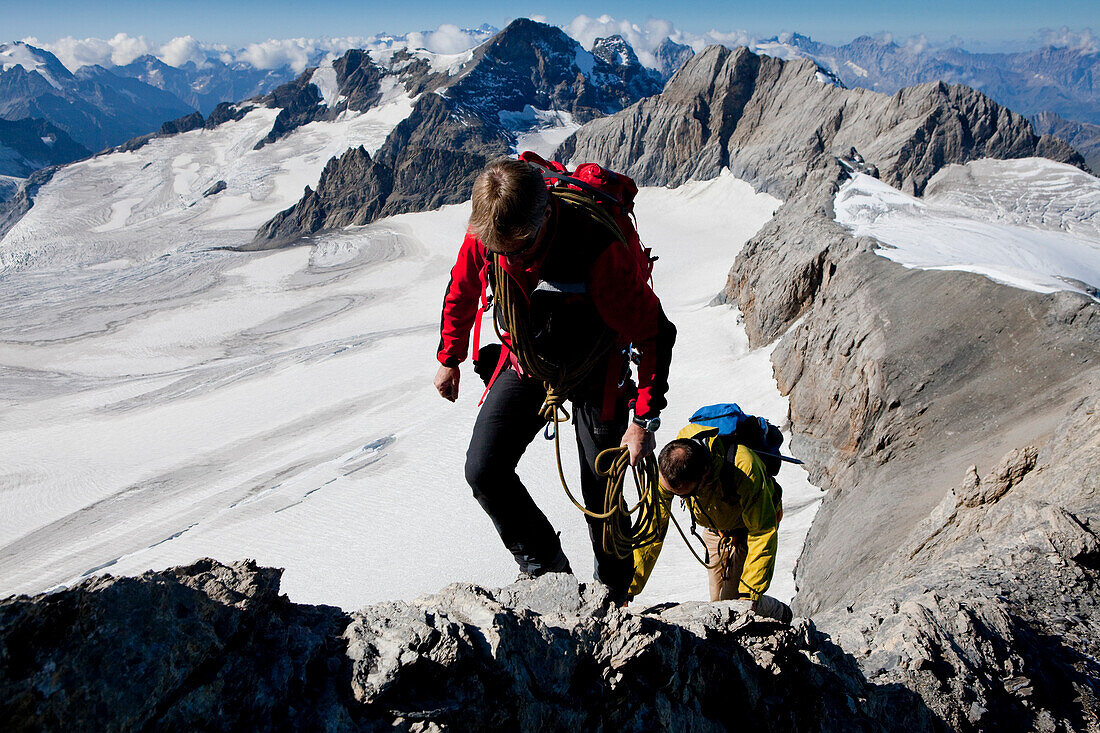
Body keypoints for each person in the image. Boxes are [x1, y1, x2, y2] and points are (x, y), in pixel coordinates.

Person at [434, 157, 676, 601]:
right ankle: (546, 568)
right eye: (499, 248)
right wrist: (451, 356)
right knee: (484, 470)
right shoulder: (492, 232)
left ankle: (616, 593)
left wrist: (643, 421)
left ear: (545, 214)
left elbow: (656, 333)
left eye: (519, 248)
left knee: (600, 496)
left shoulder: (596, 248)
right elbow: (463, 286)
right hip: (528, 359)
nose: (509, 256)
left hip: (596, 370)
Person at [630, 421, 793, 622]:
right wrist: (629, 587)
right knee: (718, 604)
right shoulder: (670, 468)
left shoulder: (744, 466)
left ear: (705, 475)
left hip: (747, 531)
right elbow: (653, 528)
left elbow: (762, 531)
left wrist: (749, 592)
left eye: (686, 494)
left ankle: (779, 613)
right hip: (716, 530)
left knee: (734, 605)